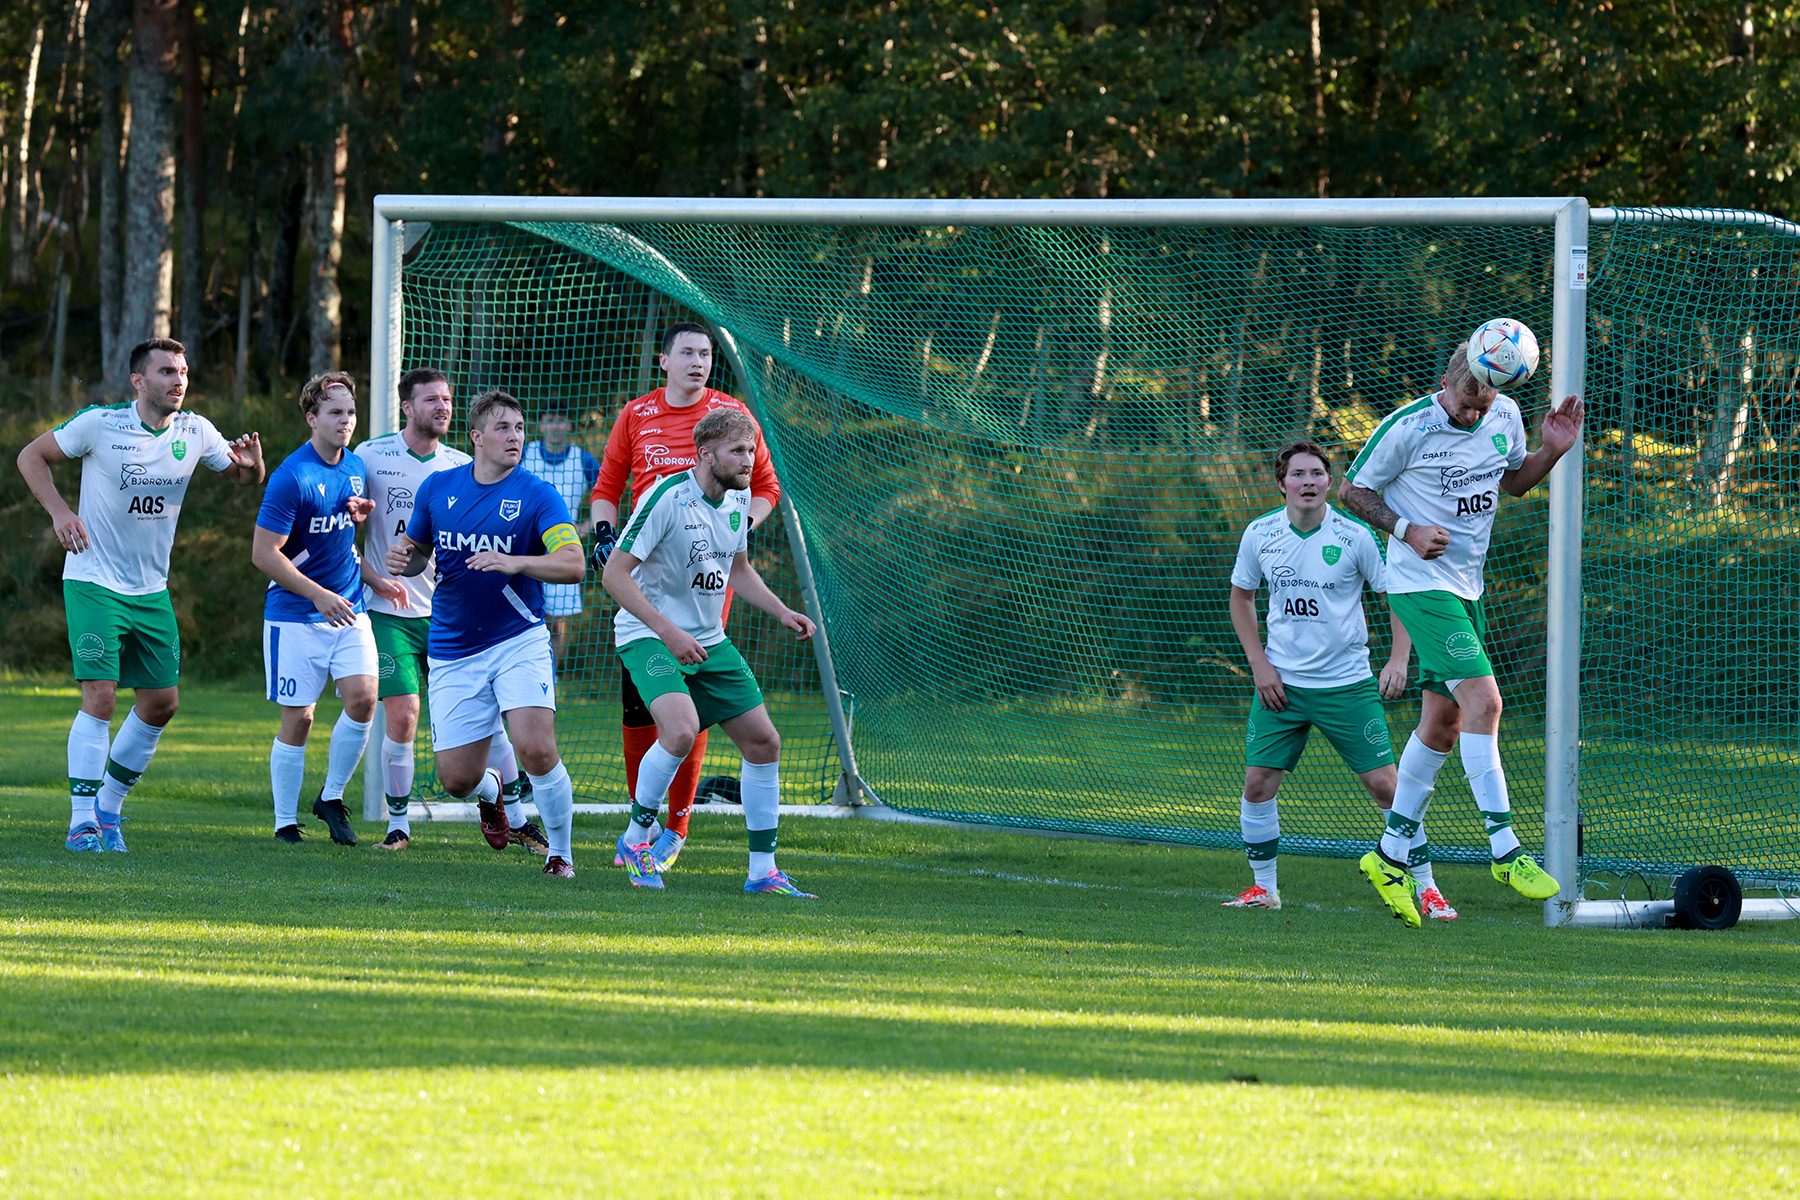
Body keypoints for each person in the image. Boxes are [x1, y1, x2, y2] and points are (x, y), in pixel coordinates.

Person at [1341, 342, 1585, 926]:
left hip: (1466, 589)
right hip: (1418, 584)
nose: (1473, 415)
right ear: (1449, 381)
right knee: (1485, 702)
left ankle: (1388, 858)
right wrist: (1406, 529)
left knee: (1443, 725)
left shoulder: (1504, 414)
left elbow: (1514, 482)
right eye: (1465, 404)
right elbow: (1350, 491)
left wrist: (1552, 451)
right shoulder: (1408, 426)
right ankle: (1505, 849)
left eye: (1484, 406)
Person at [16, 337, 264, 852]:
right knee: (101, 695)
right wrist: (61, 512)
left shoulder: (196, 431)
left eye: (183, 371)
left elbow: (244, 477)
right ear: (138, 380)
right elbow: (31, 456)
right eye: (167, 371)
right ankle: (81, 824)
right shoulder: (100, 423)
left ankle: (108, 809)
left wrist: (254, 465)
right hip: (93, 581)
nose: (179, 380)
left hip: (151, 589)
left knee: (161, 703)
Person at [1227, 441, 1455, 917]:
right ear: (1281, 483)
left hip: (1347, 686)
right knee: (1257, 783)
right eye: (1298, 474)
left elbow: (1395, 594)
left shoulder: (1354, 536)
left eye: (1317, 473)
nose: (1308, 482)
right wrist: (1260, 666)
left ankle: (1428, 889)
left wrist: (1398, 659)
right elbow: (1241, 598)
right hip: (1282, 687)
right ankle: (1264, 889)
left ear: (1329, 483)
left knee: (1388, 787)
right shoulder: (1260, 533)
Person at [589, 322, 782, 872]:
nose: (699, 361)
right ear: (664, 360)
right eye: (689, 352)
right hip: (649, 614)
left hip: (704, 617)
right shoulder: (644, 434)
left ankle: (747, 865)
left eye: (706, 353)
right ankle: (639, 835)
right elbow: (608, 489)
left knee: (749, 738)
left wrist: (735, 537)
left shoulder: (733, 455)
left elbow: (760, 503)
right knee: (660, 723)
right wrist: (603, 535)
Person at [601, 407, 818, 895]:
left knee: (764, 742)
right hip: (647, 634)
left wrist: (782, 611)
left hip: (708, 639)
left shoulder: (739, 499)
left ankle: (762, 872)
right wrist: (668, 632)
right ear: (705, 454)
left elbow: (737, 569)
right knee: (680, 731)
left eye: (751, 450)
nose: (749, 460)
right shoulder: (666, 498)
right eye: (738, 450)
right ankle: (636, 840)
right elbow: (613, 574)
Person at [384, 390, 586, 878]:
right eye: (502, 428)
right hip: (453, 647)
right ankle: (493, 791)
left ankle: (560, 854)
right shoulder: (438, 488)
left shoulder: (538, 494)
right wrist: (402, 558)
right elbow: (419, 550)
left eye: (519, 428)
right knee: (456, 780)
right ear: (476, 436)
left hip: (518, 639)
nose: (514, 437)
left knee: (536, 749)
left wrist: (516, 562)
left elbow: (573, 563)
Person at [357, 367, 543, 853]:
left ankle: (514, 816)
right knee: (403, 715)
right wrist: (377, 571)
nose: (442, 406)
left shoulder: (465, 464)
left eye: (447, 399)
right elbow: (343, 525)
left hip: (454, 617)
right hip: (391, 611)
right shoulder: (370, 455)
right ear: (407, 407)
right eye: (431, 399)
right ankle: (398, 826)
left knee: (492, 723)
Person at [251, 372, 381, 846]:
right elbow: (264, 554)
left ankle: (331, 797)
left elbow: (339, 542)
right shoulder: (292, 476)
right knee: (300, 719)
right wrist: (317, 595)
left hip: (349, 607)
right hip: (295, 614)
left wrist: (374, 577)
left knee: (364, 699)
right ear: (312, 418)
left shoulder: (356, 467)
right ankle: (285, 823)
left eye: (351, 412)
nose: (346, 421)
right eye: (335, 412)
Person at [520, 406, 599, 666]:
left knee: (556, 622)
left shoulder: (583, 460)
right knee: (521, 616)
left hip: (562, 552)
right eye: (550, 420)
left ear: (569, 426)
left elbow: (608, 494)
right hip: (523, 549)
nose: (555, 427)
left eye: (561, 421)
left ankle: (551, 674)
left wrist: (585, 528)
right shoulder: (525, 454)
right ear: (541, 425)